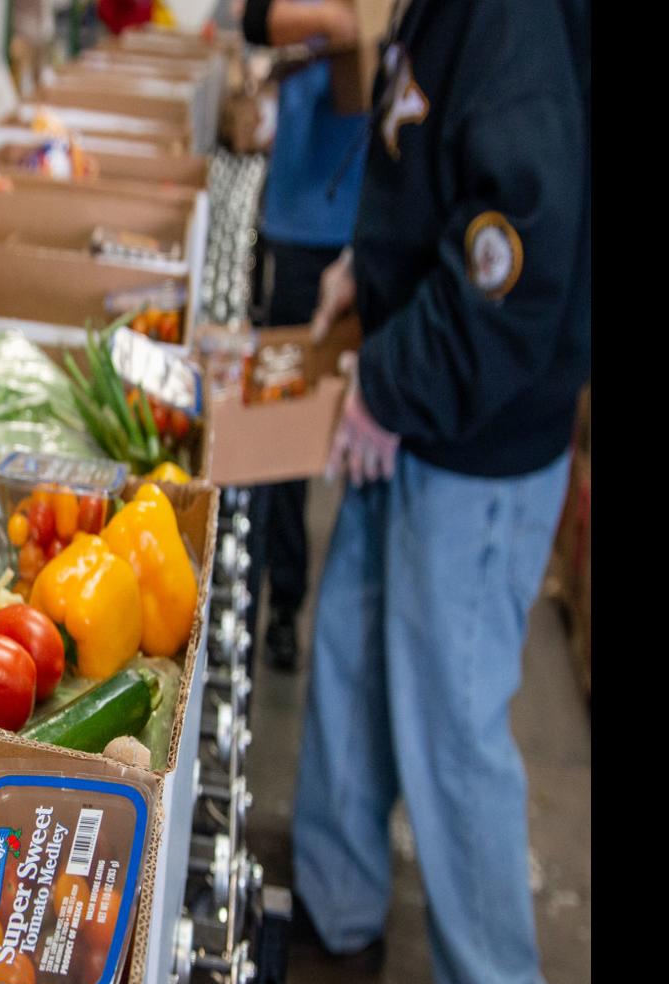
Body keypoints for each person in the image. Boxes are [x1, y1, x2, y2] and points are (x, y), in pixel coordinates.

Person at [293, 0, 590, 984]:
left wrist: (389, 384)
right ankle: (340, 900)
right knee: (353, 645)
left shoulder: (511, 17)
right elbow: (427, 169)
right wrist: (358, 287)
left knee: (452, 721)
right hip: (413, 397)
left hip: (469, 435)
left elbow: (511, 261)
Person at [239, 0, 368, 673]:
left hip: (369, 233)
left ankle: (349, 620)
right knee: (283, 434)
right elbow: (253, 17)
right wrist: (330, 27)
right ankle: (281, 603)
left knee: (368, 434)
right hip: (295, 226)